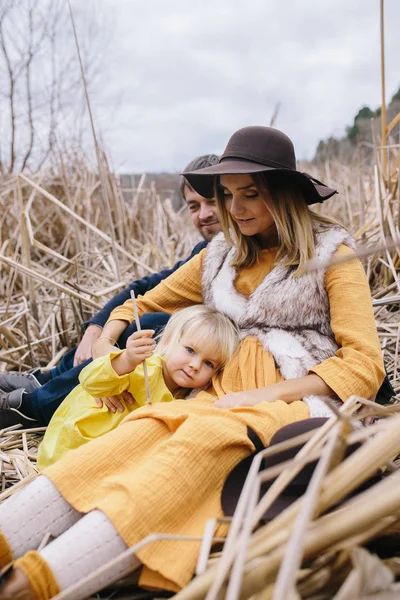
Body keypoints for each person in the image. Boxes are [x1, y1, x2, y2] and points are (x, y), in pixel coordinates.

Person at [0, 126, 386, 600]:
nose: (235, 208)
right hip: (217, 392)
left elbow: (365, 362)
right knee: (141, 430)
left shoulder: (332, 254)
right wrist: (111, 347)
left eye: (250, 194)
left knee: (202, 441)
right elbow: (139, 300)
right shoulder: (220, 256)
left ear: (283, 194)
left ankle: (31, 585)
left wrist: (261, 395)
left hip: (296, 398)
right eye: (227, 195)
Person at [0, 154, 220, 427]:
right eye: (194, 206)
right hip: (165, 353)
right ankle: (48, 379)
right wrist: (96, 329)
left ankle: (33, 408)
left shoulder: (231, 257)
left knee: (154, 325)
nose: (204, 214)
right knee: (141, 320)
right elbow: (143, 289)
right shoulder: (204, 253)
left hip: (194, 361)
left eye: (212, 202)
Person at [37, 305, 239, 469]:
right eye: (190, 350)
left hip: (106, 459)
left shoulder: (186, 397)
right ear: (168, 341)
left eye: (209, 364)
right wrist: (124, 360)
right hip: (73, 447)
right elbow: (90, 381)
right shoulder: (146, 366)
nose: (195, 365)